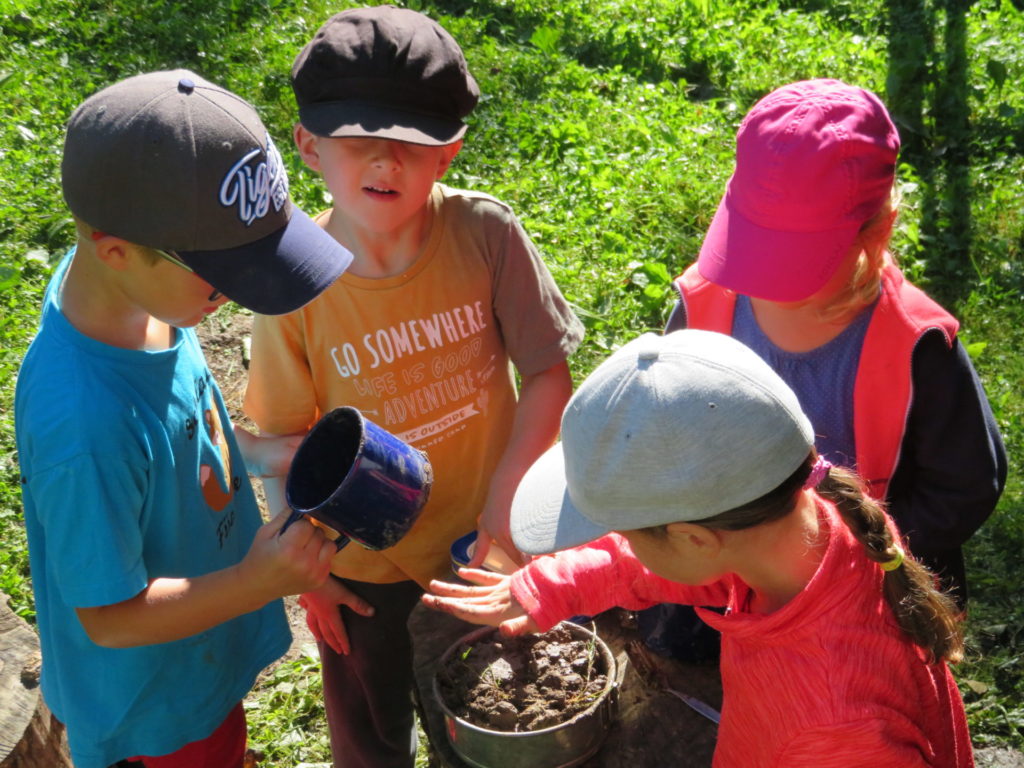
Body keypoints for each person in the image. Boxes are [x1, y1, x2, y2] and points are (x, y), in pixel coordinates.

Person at [242, 7, 584, 767]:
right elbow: (289, 450)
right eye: (359, 139)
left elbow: (547, 375)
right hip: (362, 567)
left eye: (410, 144)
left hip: (482, 541)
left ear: (449, 155)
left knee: (493, 709)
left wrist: (507, 500)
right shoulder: (291, 287)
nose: (385, 161)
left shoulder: (487, 235)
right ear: (308, 147)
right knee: (372, 733)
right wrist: (310, 573)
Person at [424, 329, 974, 768]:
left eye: (630, 530)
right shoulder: (818, 527)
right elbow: (688, 568)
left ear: (693, 538)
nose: (622, 543)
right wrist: (551, 584)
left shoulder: (833, 731)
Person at [14, 69, 354, 768]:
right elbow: (110, 618)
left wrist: (262, 454)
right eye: (223, 275)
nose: (233, 294)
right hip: (152, 711)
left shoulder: (145, 304)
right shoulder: (82, 426)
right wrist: (258, 582)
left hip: (193, 668)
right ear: (116, 250)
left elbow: (174, 433)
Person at [640, 79, 1008, 661]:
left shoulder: (916, 346)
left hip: (865, 598)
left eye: (791, 260)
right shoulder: (704, 305)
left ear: (874, 232)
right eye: (754, 246)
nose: (762, 280)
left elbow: (966, 484)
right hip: (729, 578)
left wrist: (856, 557)